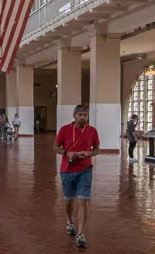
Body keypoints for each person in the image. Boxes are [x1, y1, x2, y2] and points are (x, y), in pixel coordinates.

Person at [54, 105, 100, 249]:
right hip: (67, 170)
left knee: (83, 201)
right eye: (80, 115)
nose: (83, 118)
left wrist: (88, 154)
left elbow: (97, 149)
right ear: (74, 116)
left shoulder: (92, 131)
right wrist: (67, 153)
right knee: (68, 201)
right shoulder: (64, 130)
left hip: (85, 170)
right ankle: (69, 221)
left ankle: (80, 233)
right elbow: (55, 147)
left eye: (85, 115)